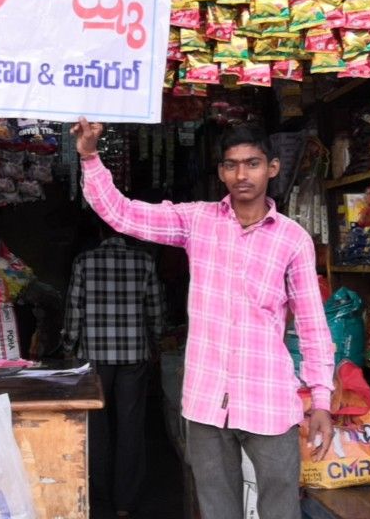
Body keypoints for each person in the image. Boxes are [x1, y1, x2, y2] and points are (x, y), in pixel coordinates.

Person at [71, 118, 334, 519]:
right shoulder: (198, 221)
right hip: (207, 401)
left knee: (281, 509)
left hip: (269, 399)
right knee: (216, 509)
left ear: (273, 168)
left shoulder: (292, 239)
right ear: (221, 172)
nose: (241, 174)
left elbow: (312, 325)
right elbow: (123, 215)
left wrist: (321, 400)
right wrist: (90, 156)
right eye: (231, 165)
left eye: (253, 163)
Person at [64, 223, 164, 518]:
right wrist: (157, 339)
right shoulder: (144, 261)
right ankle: (125, 503)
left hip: (94, 358)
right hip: (133, 355)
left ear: (99, 234)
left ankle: (98, 498)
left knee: (96, 426)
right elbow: (155, 309)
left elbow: (74, 309)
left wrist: (69, 344)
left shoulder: (84, 261)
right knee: (131, 426)